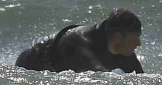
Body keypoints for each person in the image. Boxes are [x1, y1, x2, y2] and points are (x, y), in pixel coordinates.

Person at [15, 8, 144, 74]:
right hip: (31, 63)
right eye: (136, 37)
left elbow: (143, 82)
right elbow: (100, 77)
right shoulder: (81, 43)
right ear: (117, 37)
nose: (139, 43)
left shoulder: (124, 53)